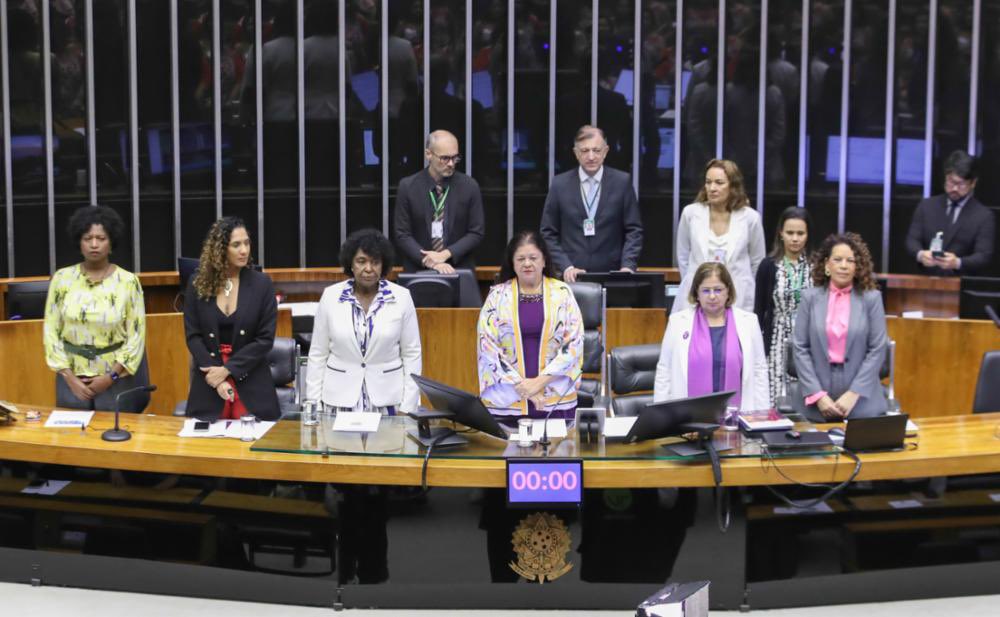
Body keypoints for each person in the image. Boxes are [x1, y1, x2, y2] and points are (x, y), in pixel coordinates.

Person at [44, 206, 148, 411]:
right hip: (71, 378)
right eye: (87, 238)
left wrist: (111, 377)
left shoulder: (128, 282)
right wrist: (69, 377)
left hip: (116, 379)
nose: (94, 244)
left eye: (101, 238)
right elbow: (50, 332)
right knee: (74, 437)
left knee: (117, 436)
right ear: (79, 242)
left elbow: (136, 336)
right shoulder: (62, 279)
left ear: (111, 243)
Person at [307, 229, 422, 413]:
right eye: (361, 261)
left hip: (388, 403)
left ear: (383, 265)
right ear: (350, 264)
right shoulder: (330, 296)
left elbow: (412, 354)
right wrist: (313, 405)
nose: (368, 268)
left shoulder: (402, 297)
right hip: (339, 402)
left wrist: (408, 407)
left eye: (375, 262)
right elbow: (318, 354)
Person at [477, 230, 584, 423]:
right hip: (508, 401)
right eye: (521, 259)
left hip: (553, 400)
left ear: (544, 261)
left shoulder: (562, 293)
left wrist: (539, 383)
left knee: (556, 452)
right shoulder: (497, 296)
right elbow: (487, 347)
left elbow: (574, 344)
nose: (527, 263)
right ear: (512, 263)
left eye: (533, 257)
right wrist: (523, 387)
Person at [183, 217, 280, 421]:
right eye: (236, 245)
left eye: (246, 243)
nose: (244, 250)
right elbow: (193, 335)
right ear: (220, 250)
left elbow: (265, 339)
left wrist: (228, 370)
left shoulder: (262, 284)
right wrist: (217, 378)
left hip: (250, 376)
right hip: (209, 379)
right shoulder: (197, 283)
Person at [792, 233, 889, 423]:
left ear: (857, 266)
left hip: (862, 400)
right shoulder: (809, 298)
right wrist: (818, 395)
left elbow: (877, 349)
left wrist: (854, 393)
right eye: (837, 260)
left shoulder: (872, 298)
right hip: (816, 401)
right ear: (827, 264)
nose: (844, 265)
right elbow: (800, 348)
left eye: (850, 260)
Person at [653, 262, 769, 411]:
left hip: (739, 415)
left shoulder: (749, 322)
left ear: (728, 291)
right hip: (687, 419)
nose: (712, 296)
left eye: (718, 290)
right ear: (697, 293)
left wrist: (763, 413)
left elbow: (759, 371)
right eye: (706, 290)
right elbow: (664, 371)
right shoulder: (677, 323)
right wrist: (661, 414)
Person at [540, 124, 643, 282]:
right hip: (571, 276)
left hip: (612, 274)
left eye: (596, 150)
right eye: (584, 151)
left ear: (606, 151)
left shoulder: (622, 182)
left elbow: (634, 230)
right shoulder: (560, 185)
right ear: (576, 153)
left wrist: (628, 266)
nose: (591, 157)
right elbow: (547, 233)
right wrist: (566, 266)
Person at [674, 158, 766, 314]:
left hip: (739, 298)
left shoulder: (751, 218)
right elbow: (682, 257)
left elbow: (757, 262)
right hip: (697, 299)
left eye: (719, 182)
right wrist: (697, 285)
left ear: (733, 186)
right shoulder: (690, 213)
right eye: (708, 182)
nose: (712, 188)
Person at [393, 130, 485, 273]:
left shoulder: (469, 186)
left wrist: (445, 254)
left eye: (455, 158)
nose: (451, 164)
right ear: (428, 154)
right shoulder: (408, 187)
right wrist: (430, 261)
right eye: (445, 158)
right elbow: (402, 234)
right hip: (418, 269)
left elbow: (476, 232)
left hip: (458, 269)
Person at [754, 207, 812, 406]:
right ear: (781, 233)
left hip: (808, 338)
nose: (795, 239)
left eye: (800, 233)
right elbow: (759, 310)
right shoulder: (768, 265)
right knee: (777, 394)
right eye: (790, 233)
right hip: (776, 339)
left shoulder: (817, 266)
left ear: (807, 235)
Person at [906, 150, 995, 276]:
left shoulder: (984, 216)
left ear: (973, 183)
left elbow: (984, 256)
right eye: (951, 181)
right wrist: (921, 255)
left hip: (961, 285)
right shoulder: (926, 206)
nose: (954, 188)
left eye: (961, 184)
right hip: (925, 280)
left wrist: (958, 262)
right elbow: (912, 240)